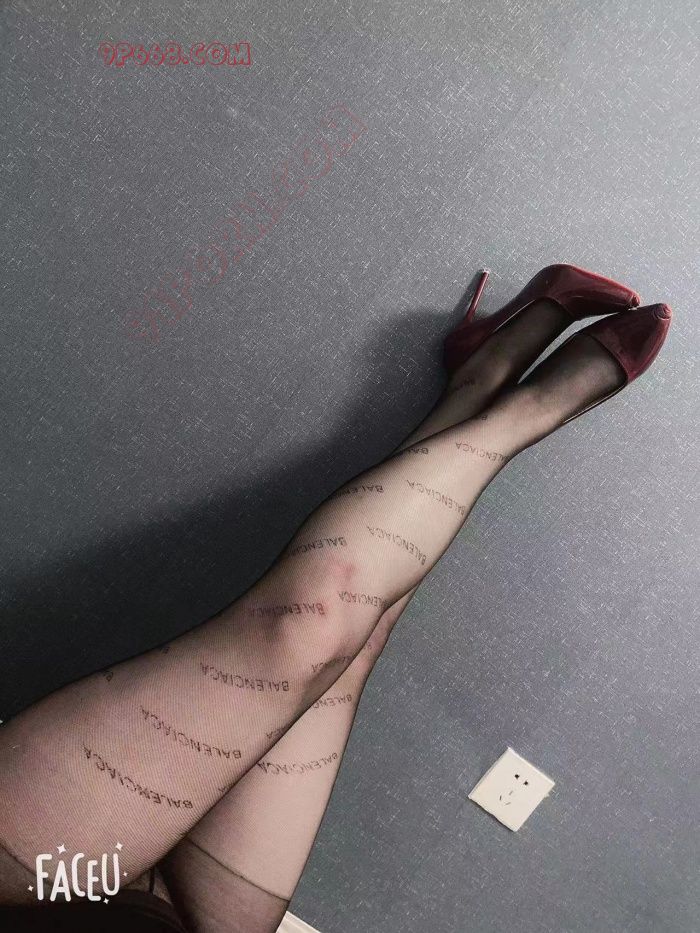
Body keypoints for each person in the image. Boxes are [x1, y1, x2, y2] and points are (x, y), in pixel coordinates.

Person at [0, 264, 671, 932]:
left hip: (30, 879)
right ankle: (480, 381)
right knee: (352, 645)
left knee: (312, 622)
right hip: (190, 921)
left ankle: (523, 412)